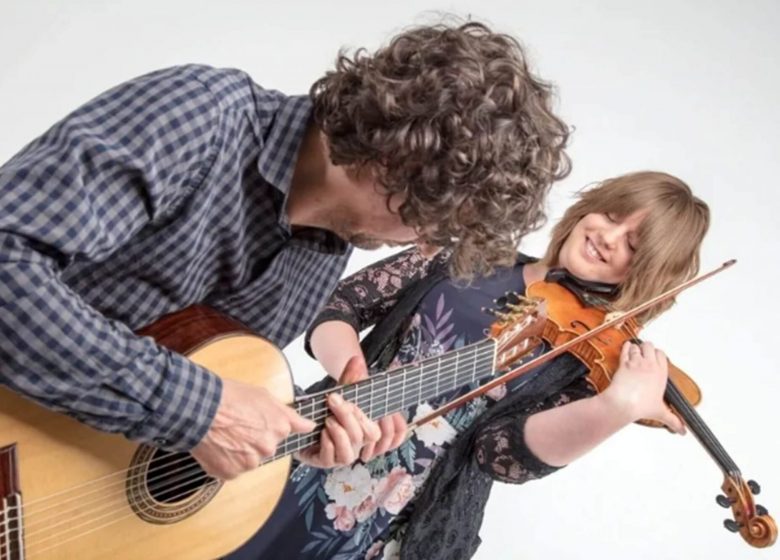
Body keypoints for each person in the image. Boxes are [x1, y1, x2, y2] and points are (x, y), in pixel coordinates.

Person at [0, 22, 570, 480]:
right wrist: (202, 411)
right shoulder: (202, 116)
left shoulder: (326, 252)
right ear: (396, 162)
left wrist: (293, 443)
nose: (423, 243)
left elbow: (153, 422)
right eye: (434, 223)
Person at [225, 170, 710, 559]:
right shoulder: (470, 255)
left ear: (648, 273)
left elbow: (500, 454)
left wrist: (615, 408)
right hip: (309, 444)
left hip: (390, 529)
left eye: (633, 245)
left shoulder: (585, 359)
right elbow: (340, 305)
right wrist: (356, 380)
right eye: (611, 215)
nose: (608, 237)